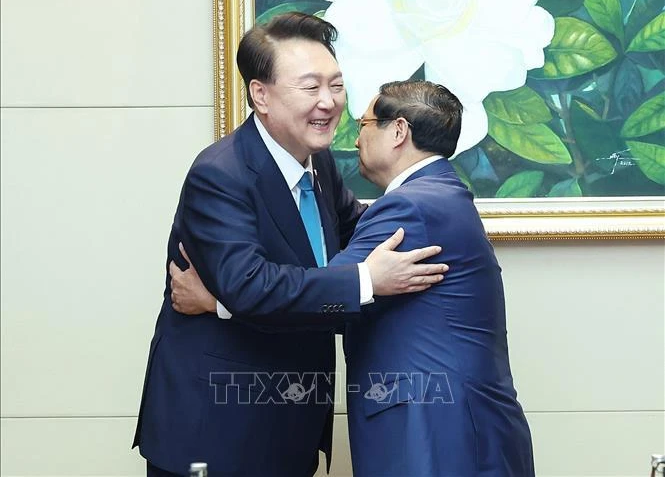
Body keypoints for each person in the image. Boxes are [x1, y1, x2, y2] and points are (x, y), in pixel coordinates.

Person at [133, 13, 448, 477]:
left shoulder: (317, 162)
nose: (328, 102)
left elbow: (358, 231)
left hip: (289, 423)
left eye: (336, 85)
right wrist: (367, 280)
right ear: (260, 94)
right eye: (310, 87)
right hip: (216, 431)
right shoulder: (220, 174)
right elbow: (251, 286)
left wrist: (438, 224)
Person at [173, 79, 535, 476]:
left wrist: (218, 301)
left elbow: (321, 302)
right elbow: (351, 287)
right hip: (460, 428)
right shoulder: (439, 197)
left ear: (398, 131)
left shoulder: (408, 209)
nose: (355, 140)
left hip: (437, 433)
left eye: (363, 125)